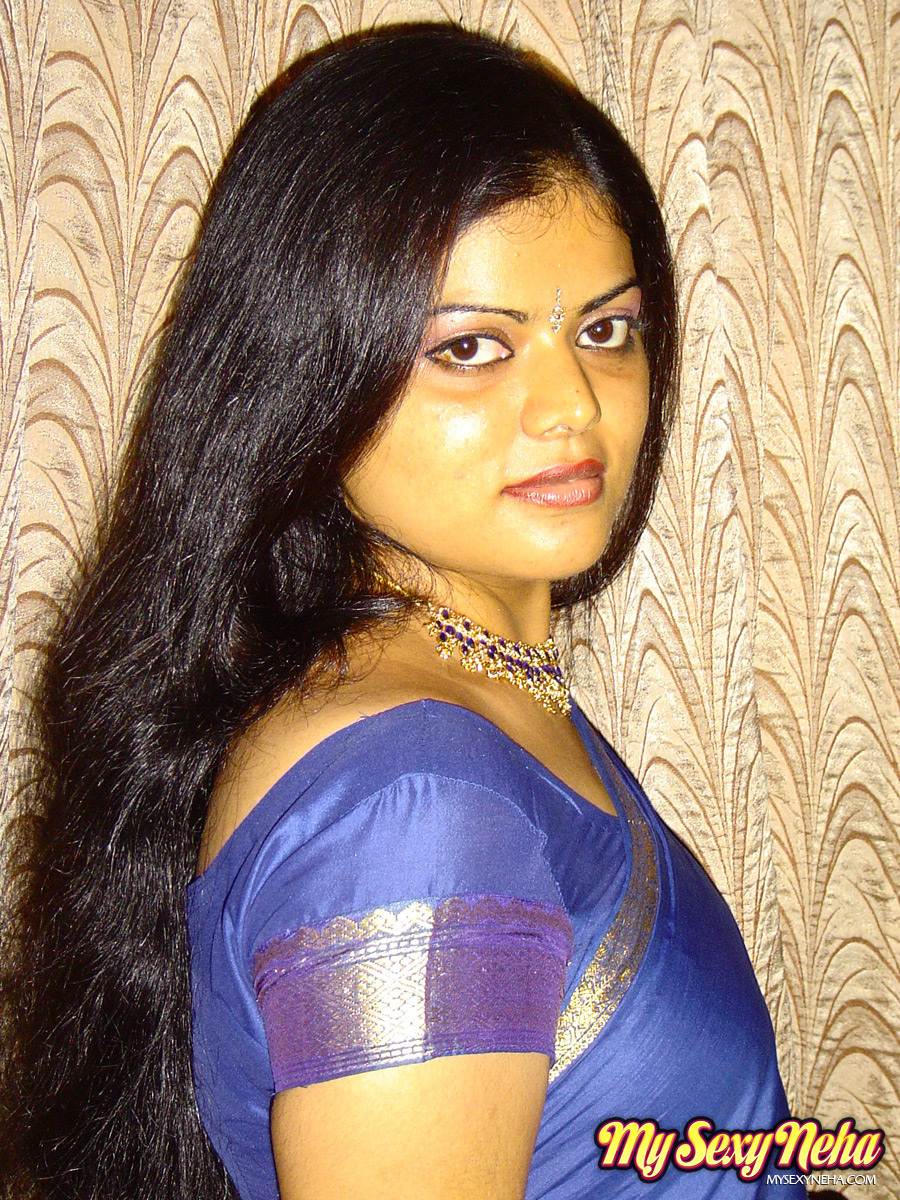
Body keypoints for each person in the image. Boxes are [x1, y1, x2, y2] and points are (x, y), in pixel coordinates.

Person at [0, 24, 804, 1200]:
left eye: (604, 329)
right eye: (470, 347)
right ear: (310, 373)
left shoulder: (471, 699)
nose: (573, 406)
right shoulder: (413, 812)